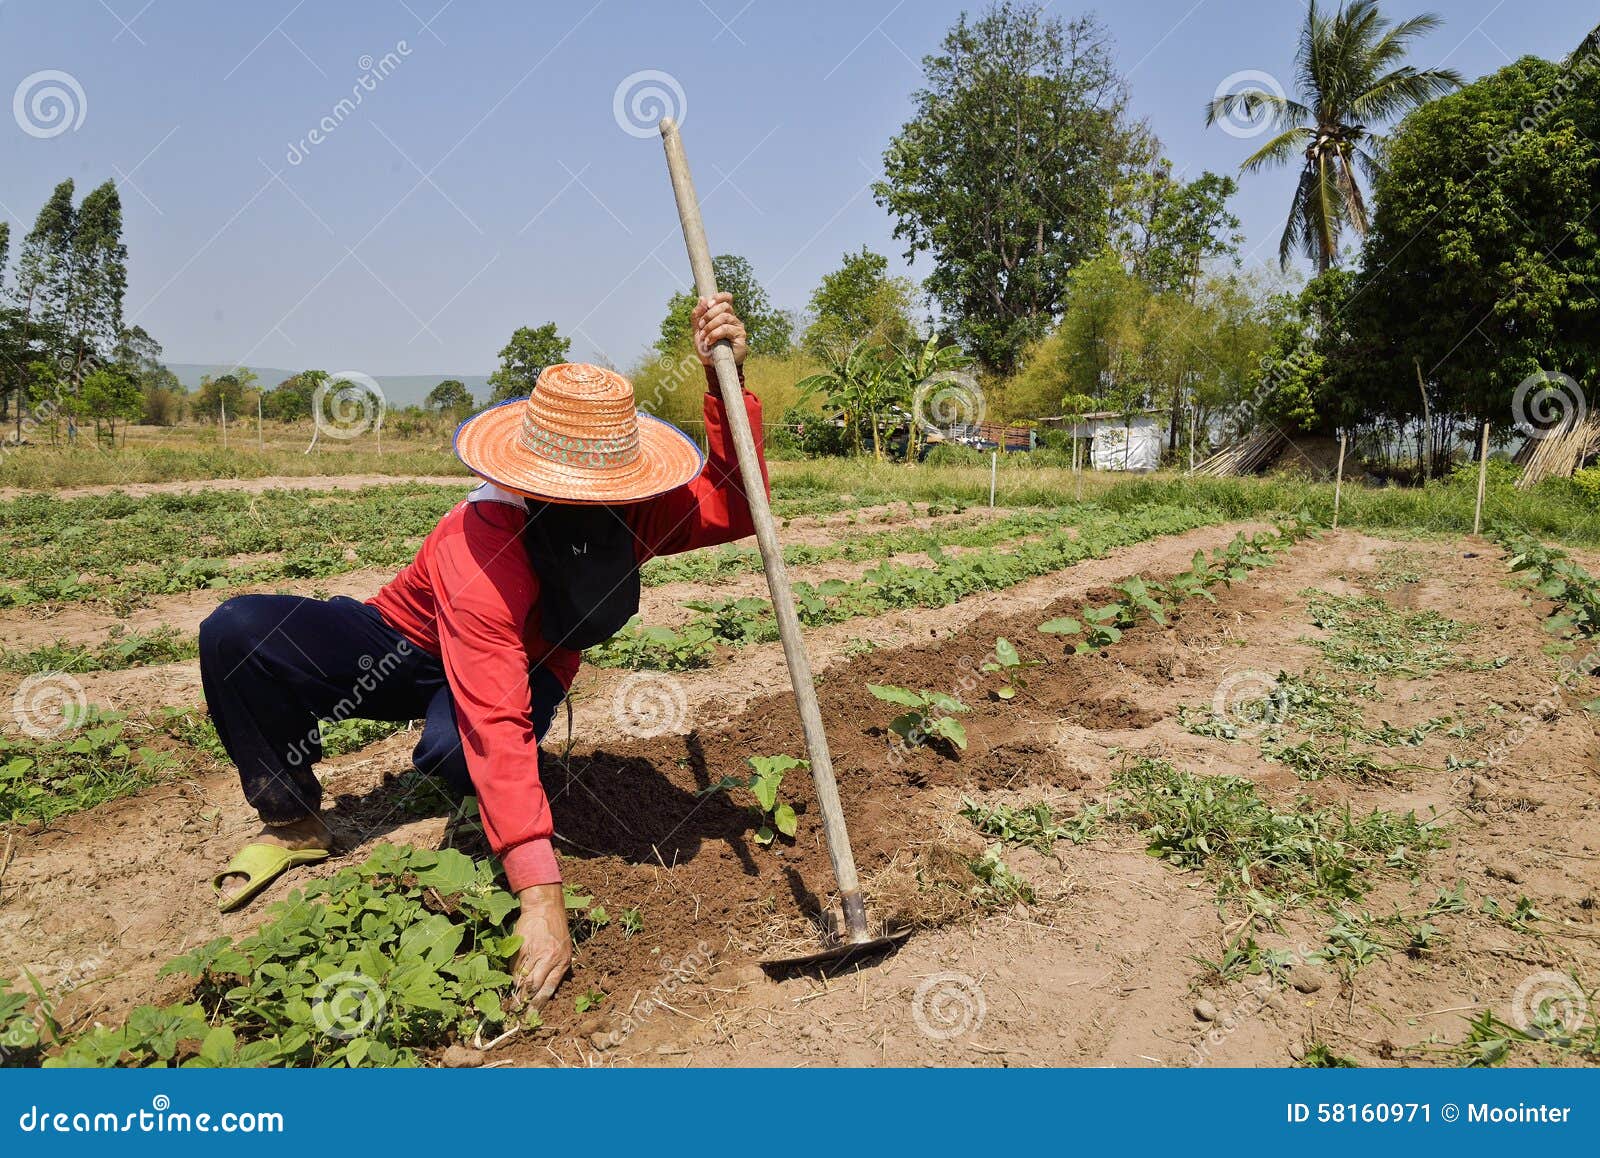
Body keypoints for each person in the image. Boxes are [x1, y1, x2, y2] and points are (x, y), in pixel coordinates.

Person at [198, 294, 763, 1008]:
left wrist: (726, 384)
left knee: (453, 753)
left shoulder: (637, 510)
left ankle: (487, 802)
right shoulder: (484, 541)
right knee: (239, 635)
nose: (592, 503)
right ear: (531, 474)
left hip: (528, 663)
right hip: (404, 641)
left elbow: (738, 506)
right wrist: (540, 893)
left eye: (605, 492)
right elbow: (493, 715)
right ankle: (293, 819)